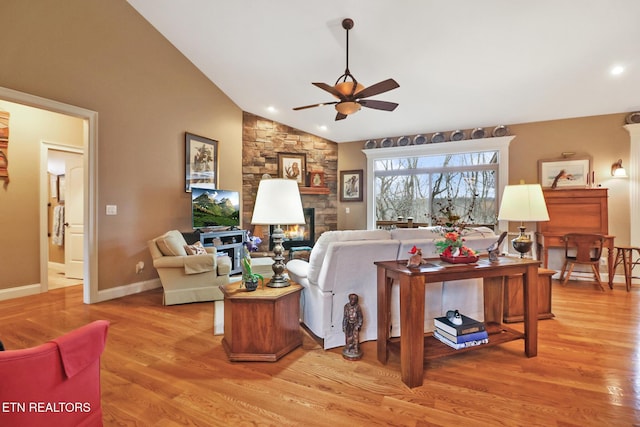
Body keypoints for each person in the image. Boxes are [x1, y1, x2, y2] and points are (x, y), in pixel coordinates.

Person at [342, 293, 363, 359]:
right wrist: (344, 326)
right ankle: (348, 347)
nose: (353, 300)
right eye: (352, 299)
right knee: (348, 337)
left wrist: (359, 325)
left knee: (355, 337)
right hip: (348, 323)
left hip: (355, 324)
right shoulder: (346, 306)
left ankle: (356, 348)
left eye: (355, 299)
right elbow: (345, 317)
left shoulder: (358, 307)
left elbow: (360, 317)